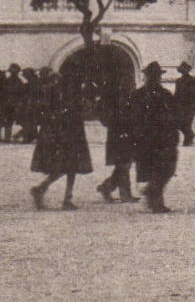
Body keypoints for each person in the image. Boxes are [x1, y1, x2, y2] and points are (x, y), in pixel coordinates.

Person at [29, 71, 93, 210]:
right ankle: (59, 195)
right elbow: (77, 112)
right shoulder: (64, 94)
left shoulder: (59, 92)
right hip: (69, 134)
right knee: (69, 166)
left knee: (67, 166)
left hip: (63, 133)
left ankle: (55, 193)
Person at [127, 61, 182, 213]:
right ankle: (156, 200)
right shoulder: (161, 95)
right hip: (156, 138)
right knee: (161, 169)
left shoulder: (142, 95)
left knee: (160, 170)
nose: (154, 78)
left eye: (155, 75)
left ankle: (154, 197)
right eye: (153, 75)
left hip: (152, 138)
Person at [96, 72, 139, 203]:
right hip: (119, 134)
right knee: (124, 164)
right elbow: (108, 115)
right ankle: (125, 194)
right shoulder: (118, 98)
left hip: (128, 134)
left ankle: (106, 187)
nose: (133, 86)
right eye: (130, 83)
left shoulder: (131, 98)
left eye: (133, 83)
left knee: (124, 164)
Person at [174, 62, 195, 147]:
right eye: (182, 70)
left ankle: (187, 140)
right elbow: (176, 93)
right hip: (180, 105)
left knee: (187, 122)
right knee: (180, 122)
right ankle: (190, 135)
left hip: (190, 105)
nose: (184, 71)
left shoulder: (193, 80)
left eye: (185, 69)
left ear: (188, 70)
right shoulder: (178, 81)